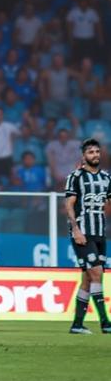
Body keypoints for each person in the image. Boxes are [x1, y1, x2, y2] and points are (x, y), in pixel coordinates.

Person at [65, 139, 111, 335]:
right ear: (83, 156)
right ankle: (105, 323)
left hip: (100, 233)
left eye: (97, 152)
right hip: (83, 232)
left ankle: (77, 325)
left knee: (87, 278)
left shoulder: (106, 178)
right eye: (91, 152)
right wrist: (75, 229)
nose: (95, 155)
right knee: (96, 273)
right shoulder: (75, 177)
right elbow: (69, 204)